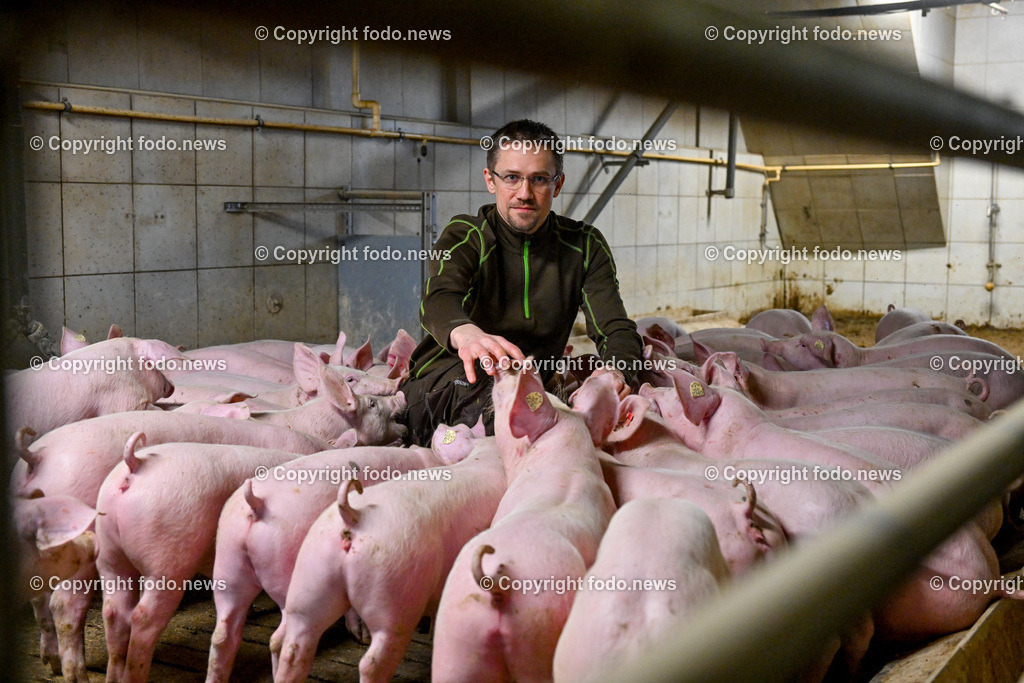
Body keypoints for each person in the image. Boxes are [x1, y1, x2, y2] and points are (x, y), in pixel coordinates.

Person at [400, 119, 642, 446]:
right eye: (512, 178)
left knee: (539, 423)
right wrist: (466, 332)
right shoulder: (466, 236)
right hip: (447, 383)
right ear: (491, 180)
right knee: (503, 413)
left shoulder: (584, 246)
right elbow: (440, 299)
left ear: (557, 185)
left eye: (539, 179)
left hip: (527, 392)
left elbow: (615, 327)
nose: (524, 194)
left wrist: (617, 372)